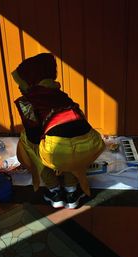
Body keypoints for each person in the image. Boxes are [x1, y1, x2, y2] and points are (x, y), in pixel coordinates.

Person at [13, 53, 105, 209]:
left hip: (60, 152)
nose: (19, 86)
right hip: (90, 146)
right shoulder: (61, 95)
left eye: (21, 82)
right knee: (67, 139)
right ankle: (72, 191)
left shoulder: (27, 102)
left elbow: (34, 137)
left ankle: (54, 190)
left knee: (28, 140)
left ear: (31, 81)